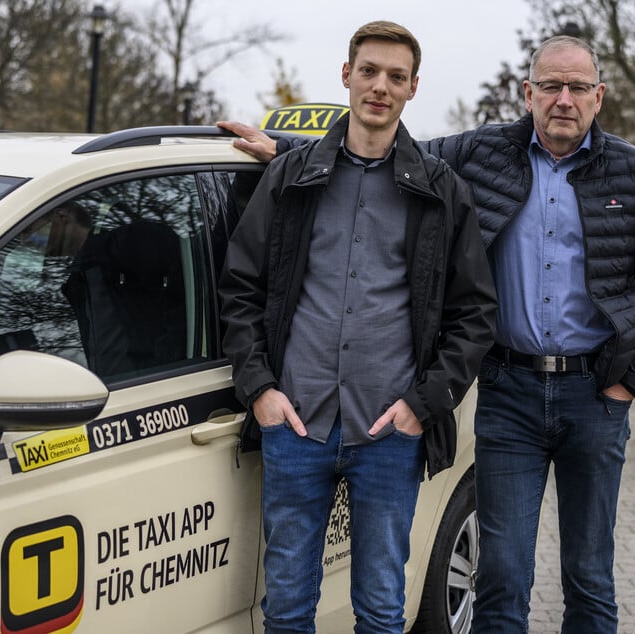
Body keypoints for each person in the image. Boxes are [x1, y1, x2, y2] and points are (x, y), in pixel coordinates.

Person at [219, 34, 635, 634]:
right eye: (551, 86)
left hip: (595, 394)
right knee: (501, 575)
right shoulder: (483, 152)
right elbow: (382, 143)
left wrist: (632, 383)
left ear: (598, 97)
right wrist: (287, 149)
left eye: (577, 88)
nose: (564, 99)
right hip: (509, 392)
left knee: (589, 574)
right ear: (528, 93)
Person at [217, 20, 497, 634]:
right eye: (368, 71)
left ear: (413, 87)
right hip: (295, 423)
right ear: (347, 75)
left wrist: (423, 406)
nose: (380, 87)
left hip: (390, 433)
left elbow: (475, 314)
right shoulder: (291, 177)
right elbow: (239, 286)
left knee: (380, 610)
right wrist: (259, 389)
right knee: (286, 609)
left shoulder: (442, 192)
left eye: (396, 77)